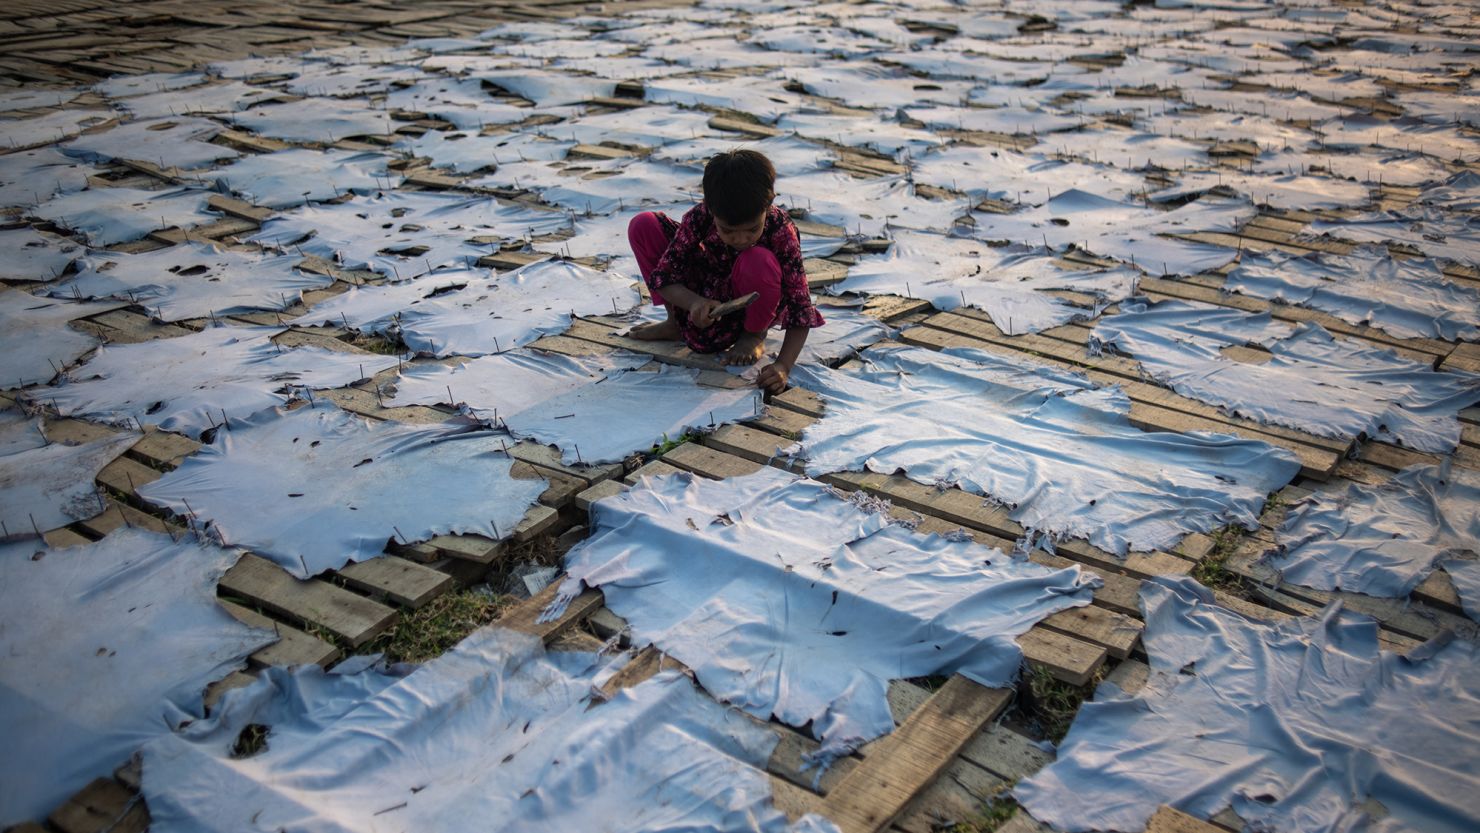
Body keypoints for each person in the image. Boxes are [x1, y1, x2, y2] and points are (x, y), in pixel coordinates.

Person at [626, 149, 823, 395]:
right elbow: (664, 276)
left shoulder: (781, 231)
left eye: (752, 229)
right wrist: (694, 303)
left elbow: (799, 306)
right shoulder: (699, 217)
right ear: (710, 207)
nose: (740, 239)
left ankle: (753, 334)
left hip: (756, 298)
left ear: (769, 204)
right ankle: (674, 322)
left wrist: (783, 365)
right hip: (710, 289)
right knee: (644, 225)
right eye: (727, 231)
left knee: (757, 259)